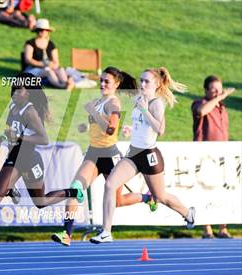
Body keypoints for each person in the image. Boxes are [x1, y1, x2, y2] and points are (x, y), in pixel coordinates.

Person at [0, 73, 83, 254]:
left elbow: (43, 139)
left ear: (28, 92)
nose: (14, 92)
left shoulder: (30, 111)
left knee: (41, 201)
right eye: (13, 88)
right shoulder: (13, 108)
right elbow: (10, 132)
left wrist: (19, 137)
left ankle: (73, 192)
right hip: (14, 158)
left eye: (19, 89)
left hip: (29, 160)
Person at [50, 67, 158, 247]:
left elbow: (111, 130)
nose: (102, 84)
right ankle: (66, 233)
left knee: (119, 201)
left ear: (116, 84)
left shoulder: (114, 104)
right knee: (76, 188)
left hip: (109, 155)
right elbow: (96, 124)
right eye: (101, 80)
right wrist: (85, 126)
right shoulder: (98, 100)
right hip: (93, 153)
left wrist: (93, 113)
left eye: (107, 81)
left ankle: (148, 198)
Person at [90, 67, 196, 243]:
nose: (142, 83)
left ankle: (188, 213)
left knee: (160, 197)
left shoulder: (156, 103)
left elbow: (160, 130)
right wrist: (131, 129)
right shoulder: (139, 98)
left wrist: (145, 110)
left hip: (149, 155)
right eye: (142, 80)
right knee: (110, 185)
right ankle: (106, 231)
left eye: (147, 81)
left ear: (156, 84)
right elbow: (142, 125)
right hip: (133, 152)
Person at [191, 75, 236, 239]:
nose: (218, 92)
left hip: (222, 155)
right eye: (214, 89)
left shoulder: (221, 107)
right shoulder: (199, 103)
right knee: (205, 191)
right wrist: (221, 96)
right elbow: (202, 111)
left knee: (223, 191)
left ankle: (222, 227)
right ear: (206, 90)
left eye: (220, 88)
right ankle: (207, 228)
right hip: (205, 156)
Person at [23, 19, 74, 90]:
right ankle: (61, 86)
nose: (44, 32)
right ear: (37, 31)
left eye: (46, 30)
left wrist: (52, 65)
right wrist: (42, 64)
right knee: (48, 72)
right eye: (41, 30)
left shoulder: (51, 44)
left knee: (60, 69)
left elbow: (56, 61)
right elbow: (28, 60)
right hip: (33, 69)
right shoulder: (30, 43)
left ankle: (65, 83)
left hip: (48, 67)